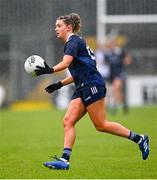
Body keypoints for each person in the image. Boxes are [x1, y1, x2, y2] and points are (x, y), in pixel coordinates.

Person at [35, 13, 149, 170]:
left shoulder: (73, 42)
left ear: (69, 27)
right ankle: (65, 160)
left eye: (59, 26)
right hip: (82, 85)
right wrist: (60, 84)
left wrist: (49, 70)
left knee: (101, 125)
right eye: (56, 26)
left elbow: (66, 63)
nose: (56, 29)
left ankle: (140, 138)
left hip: (91, 85)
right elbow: (79, 71)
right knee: (68, 121)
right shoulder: (76, 43)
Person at [105, 37, 132, 114]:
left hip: (119, 73)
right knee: (116, 92)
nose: (110, 45)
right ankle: (124, 103)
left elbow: (128, 59)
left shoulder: (120, 51)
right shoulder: (108, 54)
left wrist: (126, 61)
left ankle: (114, 108)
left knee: (115, 89)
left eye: (112, 44)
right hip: (111, 75)